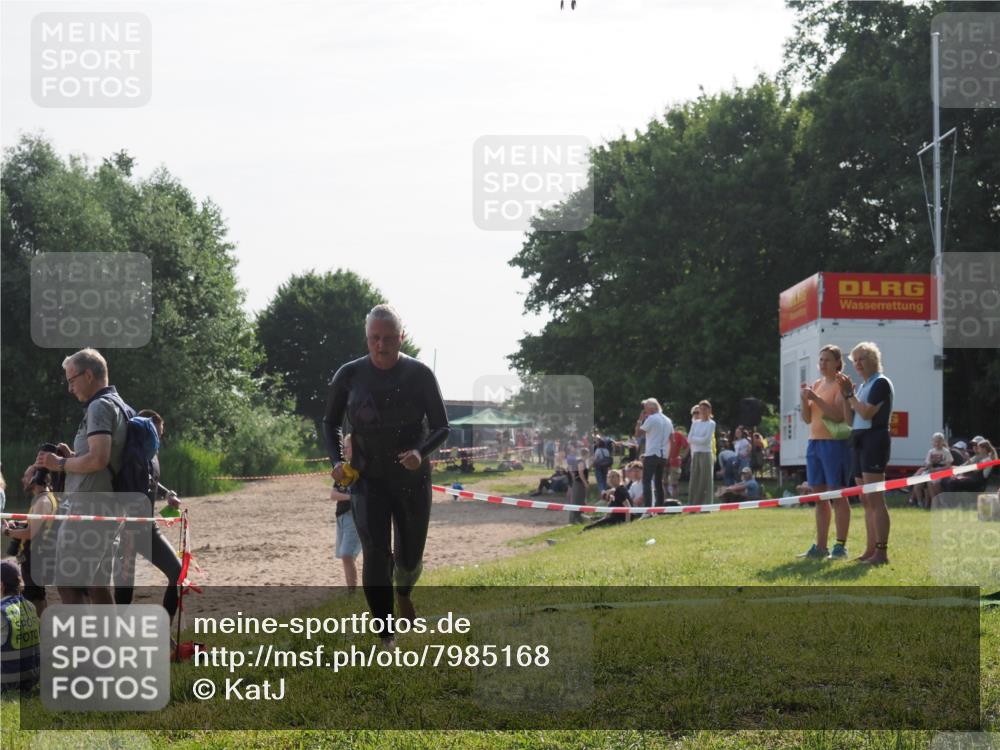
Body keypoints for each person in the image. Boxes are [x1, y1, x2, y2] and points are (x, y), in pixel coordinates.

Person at [323, 305, 449, 646]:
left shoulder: (419, 374)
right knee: (376, 555)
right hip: (368, 480)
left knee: (408, 560)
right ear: (367, 338)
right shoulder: (349, 375)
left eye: (389, 338)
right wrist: (336, 460)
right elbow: (330, 423)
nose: (382, 345)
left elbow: (441, 426)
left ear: (401, 337)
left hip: (412, 481)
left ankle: (404, 591)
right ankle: (386, 634)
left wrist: (420, 453)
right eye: (375, 338)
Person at [30, 349, 130, 604]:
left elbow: (98, 460)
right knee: (97, 584)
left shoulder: (99, 406)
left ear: (88, 375)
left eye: (71, 380)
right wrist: (73, 456)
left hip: (89, 507)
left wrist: (60, 463)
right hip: (109, 506)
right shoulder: (121, 405)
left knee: (68, 583)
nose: (69, 388)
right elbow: (104, 458)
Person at [112, 410, 183, 621]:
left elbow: (150, 480)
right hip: (127, 531)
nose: (158, 438)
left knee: (177, 573)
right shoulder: (126, 455)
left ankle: (165, 632)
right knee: (125, 592)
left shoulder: (151, 455)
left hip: (149, 529)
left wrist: (166, 494)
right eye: (157, 433)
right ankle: (115, 639)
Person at [837, 341, 894, 566]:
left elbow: (867, 413)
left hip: (874, 440)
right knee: (865, 498)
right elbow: (850, 420)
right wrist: (845, 395)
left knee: (875, 498)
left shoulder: (881, 383)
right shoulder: (862, 387)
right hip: (859, 439)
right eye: (855, 360)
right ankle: (870, 549)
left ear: (873, 360)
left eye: (862, 359)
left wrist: (850, 395)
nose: (858, 364)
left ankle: (881, 552)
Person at [798, 344, 853, 560]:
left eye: (827, 360)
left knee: (837, 494)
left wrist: (816, 399)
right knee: (819, 497)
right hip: (815, 443)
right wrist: (805, 400)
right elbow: (807, 418)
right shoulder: (818, 383)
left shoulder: (841, 384)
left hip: (834, 444)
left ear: (838, 363)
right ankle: (820, 547)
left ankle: (840, 546)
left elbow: (839, 416)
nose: (823, 364)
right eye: (820, 360)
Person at [3, 459, 61, 618]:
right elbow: (35, 524)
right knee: (37, 593)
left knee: (33, 594)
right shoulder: (42, 498)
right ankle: (40, 627)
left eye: (26, 476)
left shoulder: (42, 501)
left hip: (36, 555)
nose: (23, 479)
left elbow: (31, 533)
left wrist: (8, 532)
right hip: (35, 554)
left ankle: (37, 628)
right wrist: (17, 523)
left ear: (36, 478)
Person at [0, 560, 41, 693]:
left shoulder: (2, 611)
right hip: (31, 678)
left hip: (6, 681)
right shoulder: (30, 606)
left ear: (1, 586)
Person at [331, 435, 361, 593]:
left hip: (353, 517)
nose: (343, 450)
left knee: (346, 554)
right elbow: (333, 494)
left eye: (346, 447)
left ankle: (352, 593)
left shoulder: (362, 470)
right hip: (341, 516)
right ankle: (352, 590)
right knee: (346, 556)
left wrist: (353, 498)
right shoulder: (344, 469)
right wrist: (352, 497)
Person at [927, 439, 997, 504]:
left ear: (984, 449)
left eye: (978, 447)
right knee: (946, 480)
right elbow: (966, 465)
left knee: (952, 482)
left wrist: (968, 462)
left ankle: (951, 504)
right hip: (973, 478)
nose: (977, 449)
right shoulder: (980, 457)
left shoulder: (987, 459)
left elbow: (976, 470)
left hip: (978, 481)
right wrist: (956, 468)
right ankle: (946, 502)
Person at [635, 399, 672, 508]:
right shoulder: (668, 420)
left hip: (652, 453)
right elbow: (672, 437)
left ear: (651, 408)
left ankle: (648, 508)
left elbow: (638, 433)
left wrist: (640, 420)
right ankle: (659, 507)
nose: (644, 410)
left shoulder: (651, 418)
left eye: (645, 408)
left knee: (646, 481)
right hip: (664, 454)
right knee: (658, 482)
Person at [910, 432, 954, 509]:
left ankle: (936, 504)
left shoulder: (946, 452)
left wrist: (936, 469)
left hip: (941, 471)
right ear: (932, 441)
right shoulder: (931, 451)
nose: (937, 443)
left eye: (939, 441)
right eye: (935, 441)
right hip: (930, 470)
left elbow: (948, 466)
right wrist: (929, 465)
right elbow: (927, 464)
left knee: (931, 483)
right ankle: (920, 504)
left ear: (942, 441)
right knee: (917, 484)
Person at [688, 401, 716, 502]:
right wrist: (698, 439)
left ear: (709, 410)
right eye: (701, 409)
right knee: (695, 479)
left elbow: (706, 440)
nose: (703, 411)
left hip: (706, 453)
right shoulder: (695, 423)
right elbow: (689, 438)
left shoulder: (711, 423)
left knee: (705, 479)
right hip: (696, 453)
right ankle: (693, 503)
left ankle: (706, 503)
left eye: (705, 409)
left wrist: (696, 439)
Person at [565, 441, 589, 524]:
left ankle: (579, 517)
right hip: (579, 483)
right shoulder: (581, 462)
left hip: (578, 482)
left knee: (579, 500)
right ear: (585, 454)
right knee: (577, 500)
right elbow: (581, 473)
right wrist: (585, 482)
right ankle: (575, 519)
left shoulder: (579, 461)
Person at [666, 425, 689, 499]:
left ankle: (674, 502)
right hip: (663, 461)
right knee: (663, 483)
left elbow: (687, 445)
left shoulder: (678, 435)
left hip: (675, 461)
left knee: (674, 484)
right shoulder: (662, 434)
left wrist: (683, 456)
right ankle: (664, 502)